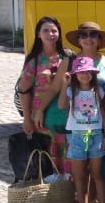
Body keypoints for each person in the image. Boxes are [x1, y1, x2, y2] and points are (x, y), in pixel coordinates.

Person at [17, 17, 73, 174]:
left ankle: (67, 193)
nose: (51, 34)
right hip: (41, 119)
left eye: (54, 30)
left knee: (68, 157)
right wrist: (27, 119)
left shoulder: (67, 57)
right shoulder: (34, 61)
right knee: (46, 157)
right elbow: (24, 91)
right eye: (46, 30)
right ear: (38, 35)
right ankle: (49, 194)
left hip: (65, 116)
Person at [58, 56, 105, 203]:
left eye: (88, 72)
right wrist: (64, 84)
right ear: (75, 75)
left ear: (93, 74)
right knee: (79, 175)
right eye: (80, 72)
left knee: (97, 174)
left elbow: (103, 111)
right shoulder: (71, 90)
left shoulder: (98, 90)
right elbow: (61, 105)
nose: (84, 75)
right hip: (77, 136)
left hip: (96, 134)